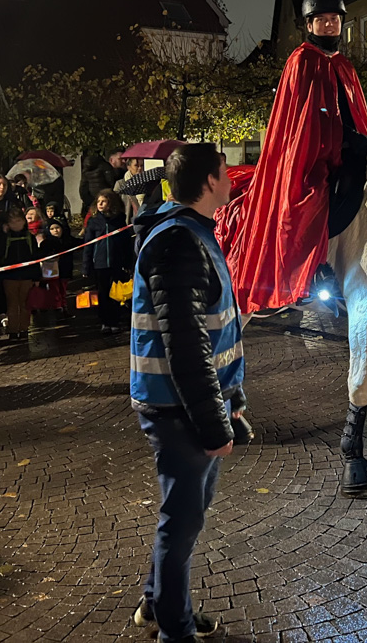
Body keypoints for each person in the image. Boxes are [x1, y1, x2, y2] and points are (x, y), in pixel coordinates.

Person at [130, 143, 246, 643]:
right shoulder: (180, 242)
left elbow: (204, 331)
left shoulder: (192, 234)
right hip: (178, 409)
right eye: (224, 173)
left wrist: (229, 401)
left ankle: (159, 606)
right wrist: (213, 424)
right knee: (180, 524)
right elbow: (186, 346)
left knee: (185, 516)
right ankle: (173, 631)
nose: (230, 179)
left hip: (188, 405)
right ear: (207, 183)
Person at [226, 0, 367, 314]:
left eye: (333, 19)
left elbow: (352, 111)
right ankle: (318, 270)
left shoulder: (345, 65)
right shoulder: (302, 60)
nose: (328, 25)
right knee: (314, 196)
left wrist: (365, 139)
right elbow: (307, 119)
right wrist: (344, 140)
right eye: (321, 21)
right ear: (309, 25)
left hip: (350, 146)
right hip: (310, 154)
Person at [82, 190, 133, 334]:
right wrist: (86, 266)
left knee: (116, 293)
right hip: (100, 264)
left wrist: (128, 263)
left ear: (111, 203)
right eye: (98, 202)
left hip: (116, 263)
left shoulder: (119, 221)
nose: (100, 204)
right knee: (103, 294)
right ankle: (105, 322)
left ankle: (115, 321)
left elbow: (126, 244)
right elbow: (88, 245)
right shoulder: (94, 221)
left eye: (103, 201)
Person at [0, 207, 39, 341]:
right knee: (12, 304)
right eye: (12, 221)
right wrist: (2, 233)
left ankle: (24, 329)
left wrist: (36, 277)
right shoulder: (4, 237)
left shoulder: (29, 237)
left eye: (18, 220)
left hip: (27, 276)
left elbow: (36, 258)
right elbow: (0, 255)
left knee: (25, 304)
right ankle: (13, 330)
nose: (16, 224)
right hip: (9, 277)